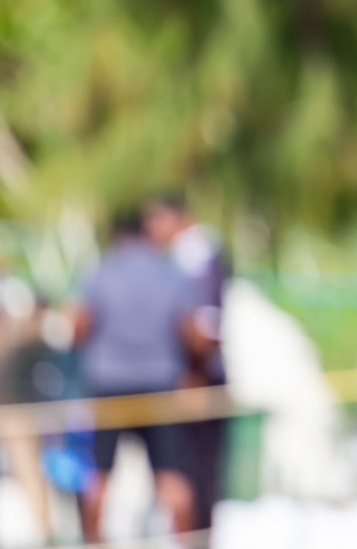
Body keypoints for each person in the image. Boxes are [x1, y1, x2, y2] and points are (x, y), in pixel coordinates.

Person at [72, 210, 210, 541]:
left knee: (98, 478)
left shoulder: (102, 271)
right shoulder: (168, 273)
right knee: (173, 478)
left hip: (109, 384)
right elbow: (192, 332)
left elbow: (78, 326)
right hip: (159, 386)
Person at [143, 194, 228, 529]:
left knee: (198, 475)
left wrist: (194, 373)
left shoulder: (196, 254)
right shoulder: (180, 257)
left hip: (199, 379)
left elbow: (205, 329)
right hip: (188, 378)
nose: (152, 228)